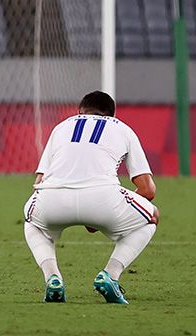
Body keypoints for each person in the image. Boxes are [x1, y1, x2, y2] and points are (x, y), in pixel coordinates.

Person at [22, 91, 159, 304]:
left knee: (33, 224)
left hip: (52, 199)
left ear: (79, 112)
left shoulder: (62, 127)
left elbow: (39, 182)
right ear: (112, 116)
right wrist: (100, 214)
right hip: (104, 199)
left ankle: (52, 279)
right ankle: (110, 275)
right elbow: (148, 190)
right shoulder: (122, 129)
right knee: (152, 218)